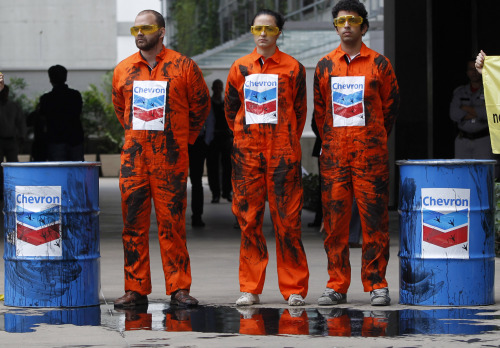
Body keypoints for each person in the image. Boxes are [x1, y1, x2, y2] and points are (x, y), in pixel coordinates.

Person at [112, 9, 211, 308]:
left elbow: (201, 106)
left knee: (173, 226)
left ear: (162, 31)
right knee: (133, 226)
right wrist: (136, 138)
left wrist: (183, 139)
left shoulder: (183, 66)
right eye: (135, 29)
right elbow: (121, 109)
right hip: (135, 159)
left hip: (170, 159)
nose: (140, 33)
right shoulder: (124, 69)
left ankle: (179, 288)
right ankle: (135, 288)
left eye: (147, 27)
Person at [313, 0, 400, 306]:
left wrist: (372, 138)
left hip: (370, 156)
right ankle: (336, 284)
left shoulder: (380, 64)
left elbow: (390, 108)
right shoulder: (325, 65)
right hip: (335, 156)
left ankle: (377, 283)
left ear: (364, 26)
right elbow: (320, 111)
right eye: (340, 21)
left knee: (374, 222)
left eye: (352, 20)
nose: (346, 25)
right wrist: (334, 143)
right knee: (335, 223)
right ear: (335, 27)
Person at [225, 9, 309, 307]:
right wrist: (246, 139)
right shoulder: (240, 67)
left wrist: (284, 139)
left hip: (282, 153)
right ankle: (250, 287)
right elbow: (231, 108)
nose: (263, 34)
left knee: (288, 221)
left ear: (278, 33)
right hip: (247, 154)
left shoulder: (293, 68)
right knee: (249, 221)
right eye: (257, 29)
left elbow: (300, 112)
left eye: (269, 29)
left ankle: (294, 287)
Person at [38, 65, 84, 161]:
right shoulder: (75, 95)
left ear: (50, 79)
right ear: (65, 77)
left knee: (58, 171)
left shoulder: (46, 98)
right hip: (74, 138)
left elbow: (42, 118)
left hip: (55, 139)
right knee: (77, 170)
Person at [449, 60, 491, 159]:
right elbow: (454, 114)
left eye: (477, 69)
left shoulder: (489, 91)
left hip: (483, 139)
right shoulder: (460, 92)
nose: (474, 72)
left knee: (484, 171)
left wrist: (465, 108)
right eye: (471, 69)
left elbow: (489, 113)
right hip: (463, 140)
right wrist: (478, 111)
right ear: (467, 72)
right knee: (461, 171)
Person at [206, 79, 233, 203]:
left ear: (222, 89)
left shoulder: (226, 103)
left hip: (226, 138)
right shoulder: (209, 104)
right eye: (215, 87)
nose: (217, 90)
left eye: (219, 87)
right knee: (213, 167)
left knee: (228, 166)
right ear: (212, 88)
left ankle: (227, 192)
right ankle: (215, 193)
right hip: (213, 138)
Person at [188, 105, 214, 227]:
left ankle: (197, 215)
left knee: (196, 182)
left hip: (197, 142)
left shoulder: (202, 101)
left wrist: (205, 142)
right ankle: (174, 217)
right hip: (182, 140)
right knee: (176, 182)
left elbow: (210, 121)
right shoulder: (178, 96)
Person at [0, 84, 26, 196]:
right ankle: (2, 191)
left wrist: (22, 136)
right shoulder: (13, 106)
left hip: (11, 139)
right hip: (2, 140)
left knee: (13, 166)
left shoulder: (13, 106)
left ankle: (14, 190)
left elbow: (21, 122)